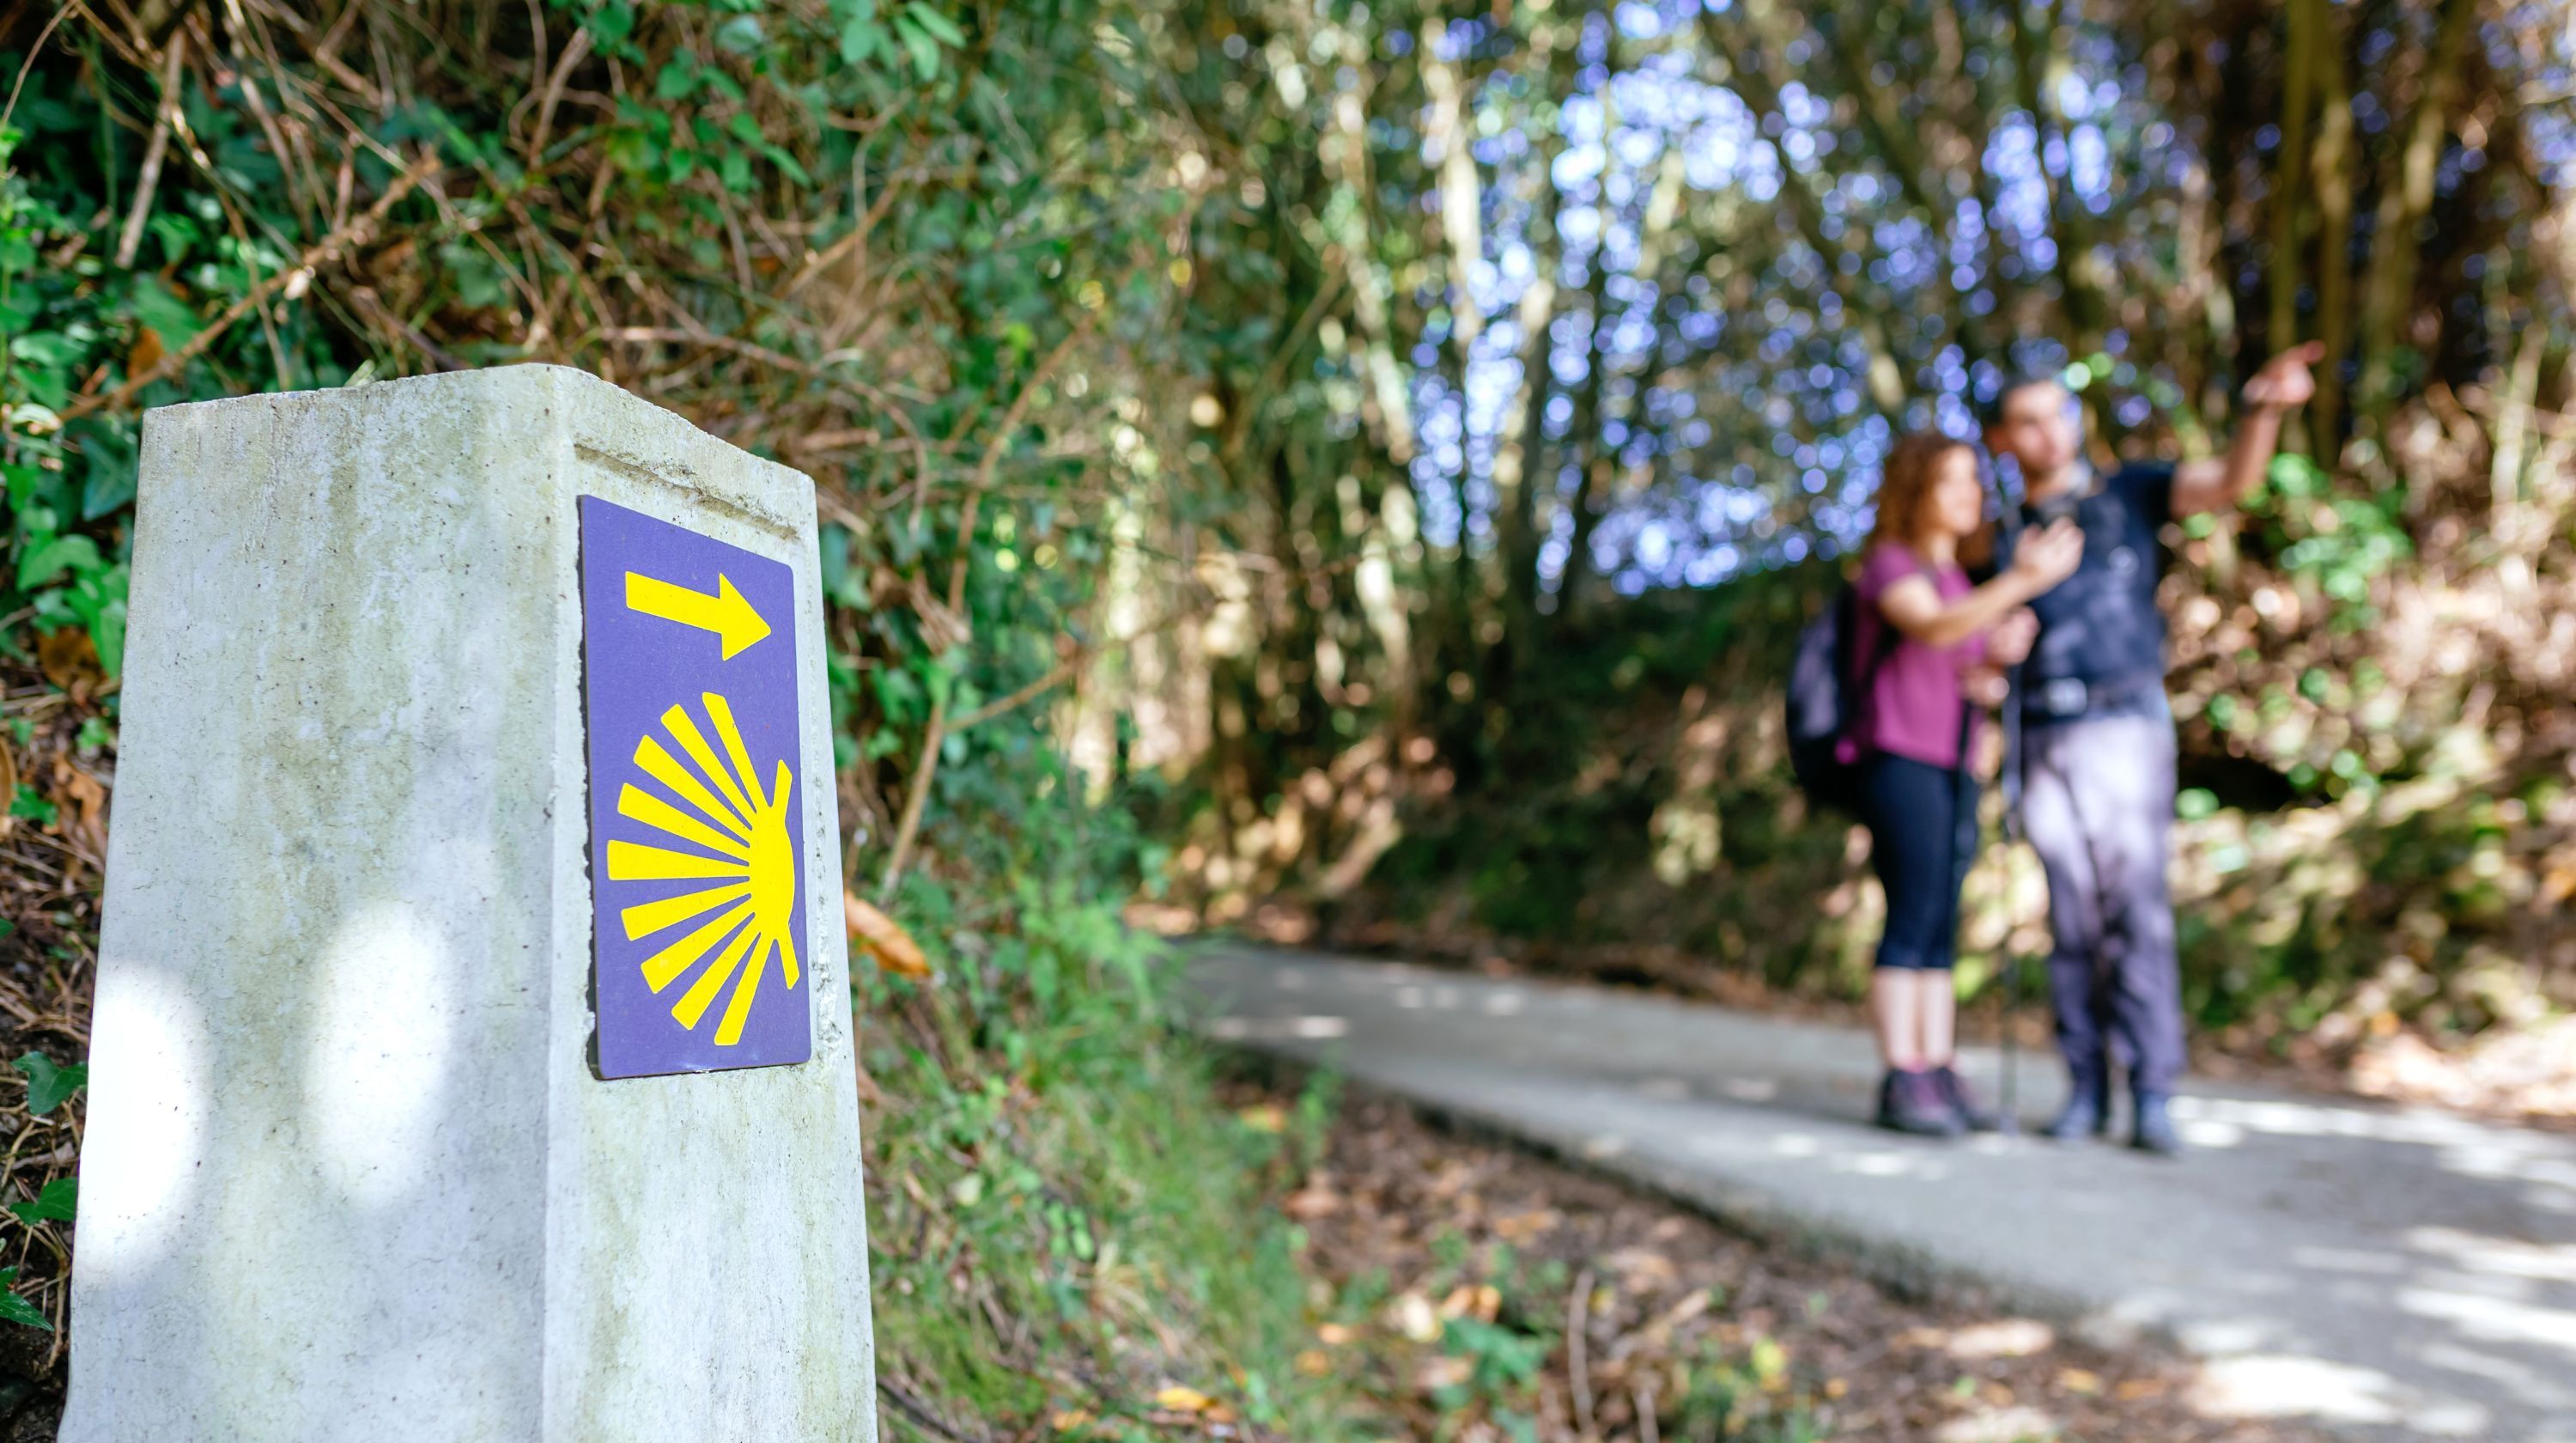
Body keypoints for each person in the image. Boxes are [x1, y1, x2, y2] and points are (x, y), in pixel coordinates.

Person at [1983, 344, 2324, 1154]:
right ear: (2002, 441)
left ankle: (2153, 1091)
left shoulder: (2126, 491)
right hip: (2039, 730)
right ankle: (2084, 1088)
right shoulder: (1996, 536)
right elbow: (1971, 642)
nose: (2047, 435)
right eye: (2026, 424)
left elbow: (2231, 482)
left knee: (2134, 905)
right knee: (2070, 913)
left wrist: (2263, 411)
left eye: (2055, 415)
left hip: (2123, 721)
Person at [1851, 432, 2083, 1136]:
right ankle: (1904, 1074)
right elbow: (1931, 627)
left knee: (1942, 916)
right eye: (1950, 481)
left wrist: (1991, 668)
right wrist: (2021, 581)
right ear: (1915, 488)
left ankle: (1936, 1062)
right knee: (1913, 911)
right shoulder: (1892, 564)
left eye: (1971, 481)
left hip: (1953, 761)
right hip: (1898, 755)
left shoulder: (1958, 577)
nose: (1968, 494)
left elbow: (1961, 661)